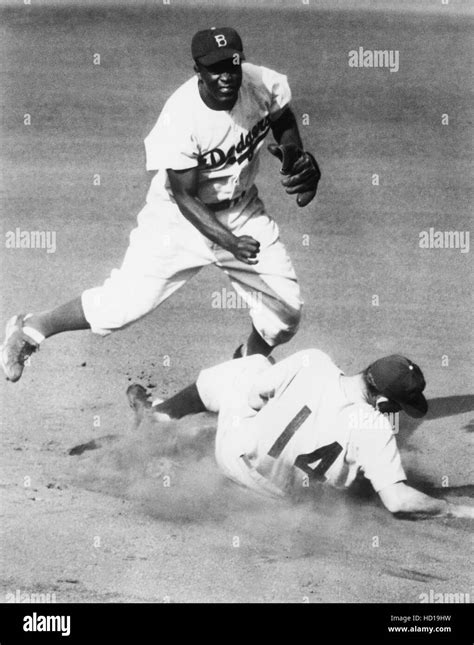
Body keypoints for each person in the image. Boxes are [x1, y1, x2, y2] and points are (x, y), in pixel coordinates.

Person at [0, 26, 320, 383]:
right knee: (121, 307)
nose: (226, 75)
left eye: (233, 65)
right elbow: (185, 196)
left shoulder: (263, 83)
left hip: (242, 210)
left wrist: (295, 154)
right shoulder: (180, 118)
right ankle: (30, 328)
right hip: (177, 221)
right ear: (197, 70)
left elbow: (283, 119)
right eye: (215, 69)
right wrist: (229, 241)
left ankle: (245, 364)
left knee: (286, 312)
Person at [127, 348, 474, 519]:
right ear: (382, 399)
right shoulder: (375, 428)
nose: (399, 410)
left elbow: (253, 397)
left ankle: (159, 417)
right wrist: (450, 509)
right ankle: (179, 438)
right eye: (399, 404)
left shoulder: (314, 360)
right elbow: (398, 501)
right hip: (277, 495)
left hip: (234, 456)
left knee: (253, 367)